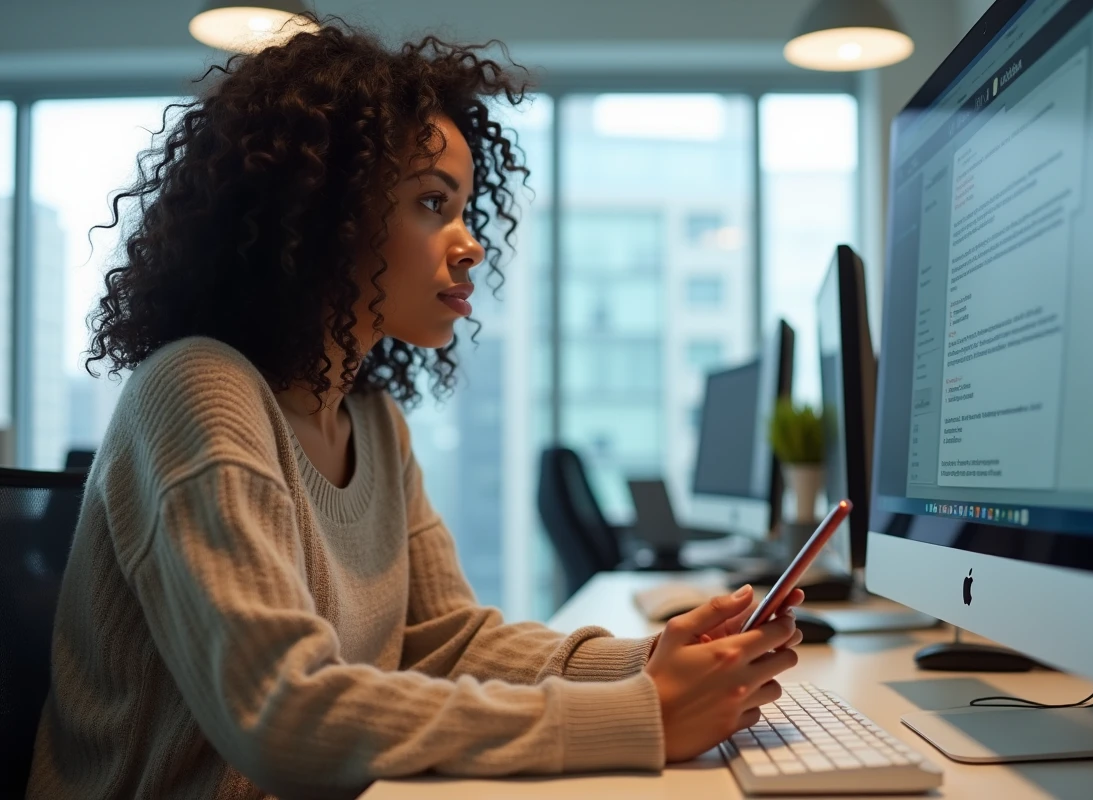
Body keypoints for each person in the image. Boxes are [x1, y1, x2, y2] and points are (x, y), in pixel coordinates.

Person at [26, 17, 804, 800]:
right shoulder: (198, 390)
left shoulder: (372, 420)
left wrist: (650, 661)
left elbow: (445, 643)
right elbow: (285, 716)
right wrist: (639, 717)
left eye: (465, 207)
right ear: (321, 213)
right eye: (433, 202)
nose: (470, 244)